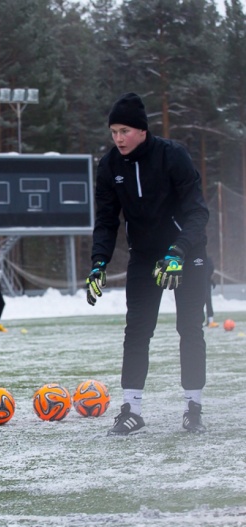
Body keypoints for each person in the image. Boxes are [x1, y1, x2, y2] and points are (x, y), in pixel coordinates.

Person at [86, 93, 210, 436]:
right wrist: (98, 263)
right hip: (144, 256)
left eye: (124, 130)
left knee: (189, 328)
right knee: (137, 331)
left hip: (187, 252)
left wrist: (179, 251)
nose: (118, 138)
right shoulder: (110, 165)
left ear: (142, 130)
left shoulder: (173, 156)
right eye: (113, 131)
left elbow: (198, 212)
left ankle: (193, 407)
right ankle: (131, 410)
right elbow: (107, 221)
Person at [205, 261, 219, 328]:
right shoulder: (205, 260)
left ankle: (210, 321)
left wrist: (211, 281)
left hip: (205, 283)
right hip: (202, 284)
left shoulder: (206, 260)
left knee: (207, 302)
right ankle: (210, 321)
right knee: (207, 302)